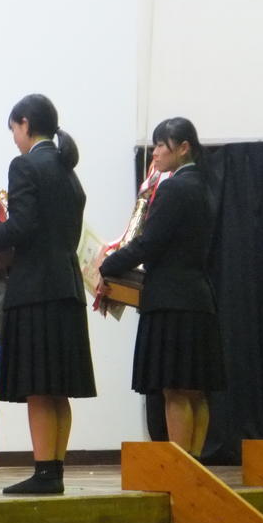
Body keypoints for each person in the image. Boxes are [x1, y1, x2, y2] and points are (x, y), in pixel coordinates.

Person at [0, 94, 96, 495]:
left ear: (26, 123)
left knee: (39, 386)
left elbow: (23, 226)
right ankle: (53, 469)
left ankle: (44, 471)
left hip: (35, 290)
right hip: (65, 287)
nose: (14, 138)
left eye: (14, 129)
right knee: (57, 386)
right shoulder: (67, 170)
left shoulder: (25, 165)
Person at [99, 117, 224, 459]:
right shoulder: (205, 186)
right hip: (199, 298)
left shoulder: (174, 188)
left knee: (175, 390)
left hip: (171, 301)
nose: (154, 153)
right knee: (196, 391)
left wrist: (106, 266)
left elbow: (149, 244)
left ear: (183, 148)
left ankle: (181, 468)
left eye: (160, 145)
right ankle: (195, 465)